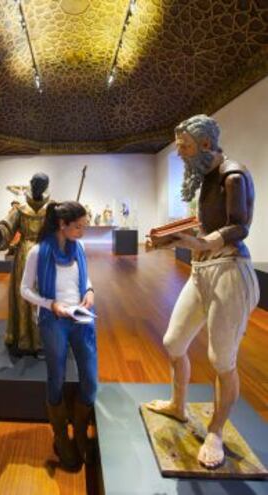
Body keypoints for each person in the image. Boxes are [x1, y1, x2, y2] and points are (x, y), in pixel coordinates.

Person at [147, 115, 259, 469]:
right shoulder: (206, 176)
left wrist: (202, 241)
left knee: (221, 360)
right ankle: (178, 406)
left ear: (206, 145)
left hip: (229, 271)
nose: (180, 152)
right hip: (201, 271)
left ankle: (216, 431)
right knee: (173, 342)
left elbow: (239, 226)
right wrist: (168, 240)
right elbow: (205, 221)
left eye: (184, 146)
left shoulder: (232, 175)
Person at [21, 201, 97, 470]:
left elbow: (84, 279)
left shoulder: (80, 248)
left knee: (90, 379)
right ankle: (62, 437)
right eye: (78, 226)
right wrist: (50, 304)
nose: (83, 231)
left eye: (84, 226)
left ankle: (78, 429)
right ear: (62, 225)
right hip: (54, 318)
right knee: (56, 377)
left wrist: (88, 291)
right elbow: (25, 290)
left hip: (80, 317)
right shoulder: (38, 252)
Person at [0, 173, 50, 356]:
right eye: (35, 183)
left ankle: (40, 341)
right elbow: (7, 227)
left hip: (44, 255)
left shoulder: (51, 209)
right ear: (31, 184)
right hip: (24, 254)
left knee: (42, 296)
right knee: (23, 294)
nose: (37, 186)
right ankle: (22, 338)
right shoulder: (20, 209)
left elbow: (58, 230)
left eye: (41, 184)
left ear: (45, 186)